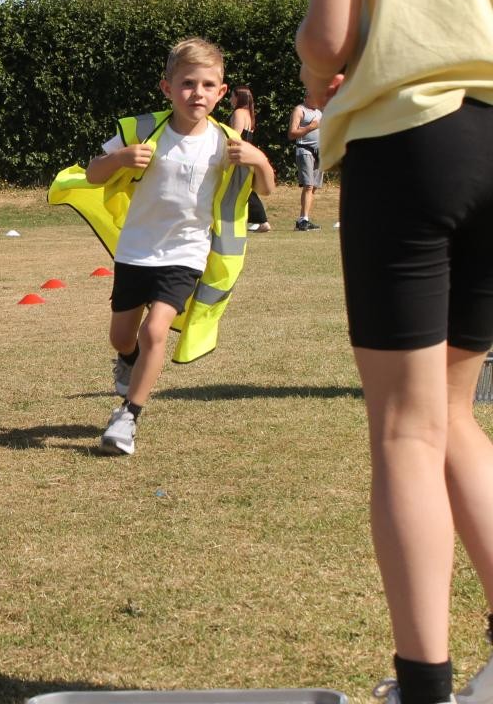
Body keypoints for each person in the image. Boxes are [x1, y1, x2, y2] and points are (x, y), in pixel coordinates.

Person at [297, 0, 493, 703]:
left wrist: (316, 84)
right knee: (454, 413)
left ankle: (424, 687)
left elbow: (328, 35)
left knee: (407, 429)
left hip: (412, 141)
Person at [48, 37, 275, 456]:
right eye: (188, 83)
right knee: (122, 337)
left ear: (222, 92)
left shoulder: (227, 142)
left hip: (187, 254)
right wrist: (119, 159)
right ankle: (127, 360)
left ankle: (127, 417)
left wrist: (259, 161)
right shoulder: (141, 130)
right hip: (136, 251)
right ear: (167, 88)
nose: (198, 93)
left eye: (208, 85)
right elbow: (93, 174)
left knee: (156, 331)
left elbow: (267, 187)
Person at [229, 85, 271, 233]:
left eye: (232, 96)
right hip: (247, 154)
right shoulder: (249, 114)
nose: (230, 99)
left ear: (238, 97)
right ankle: (260, 220)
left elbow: (235, 135)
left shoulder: (239, 113)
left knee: (243, 189)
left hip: (239, 156)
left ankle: (261, 220)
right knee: (245, 188)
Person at [288, 91, 323, 230]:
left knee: (313, 187)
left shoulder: (319, 111)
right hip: (305, 150)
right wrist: (310, 127)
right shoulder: (299, 110)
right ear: (307, 96)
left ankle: (305, 218)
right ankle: (302, 220)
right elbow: (291, 133)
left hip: (319, 152)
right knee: (308, 185)